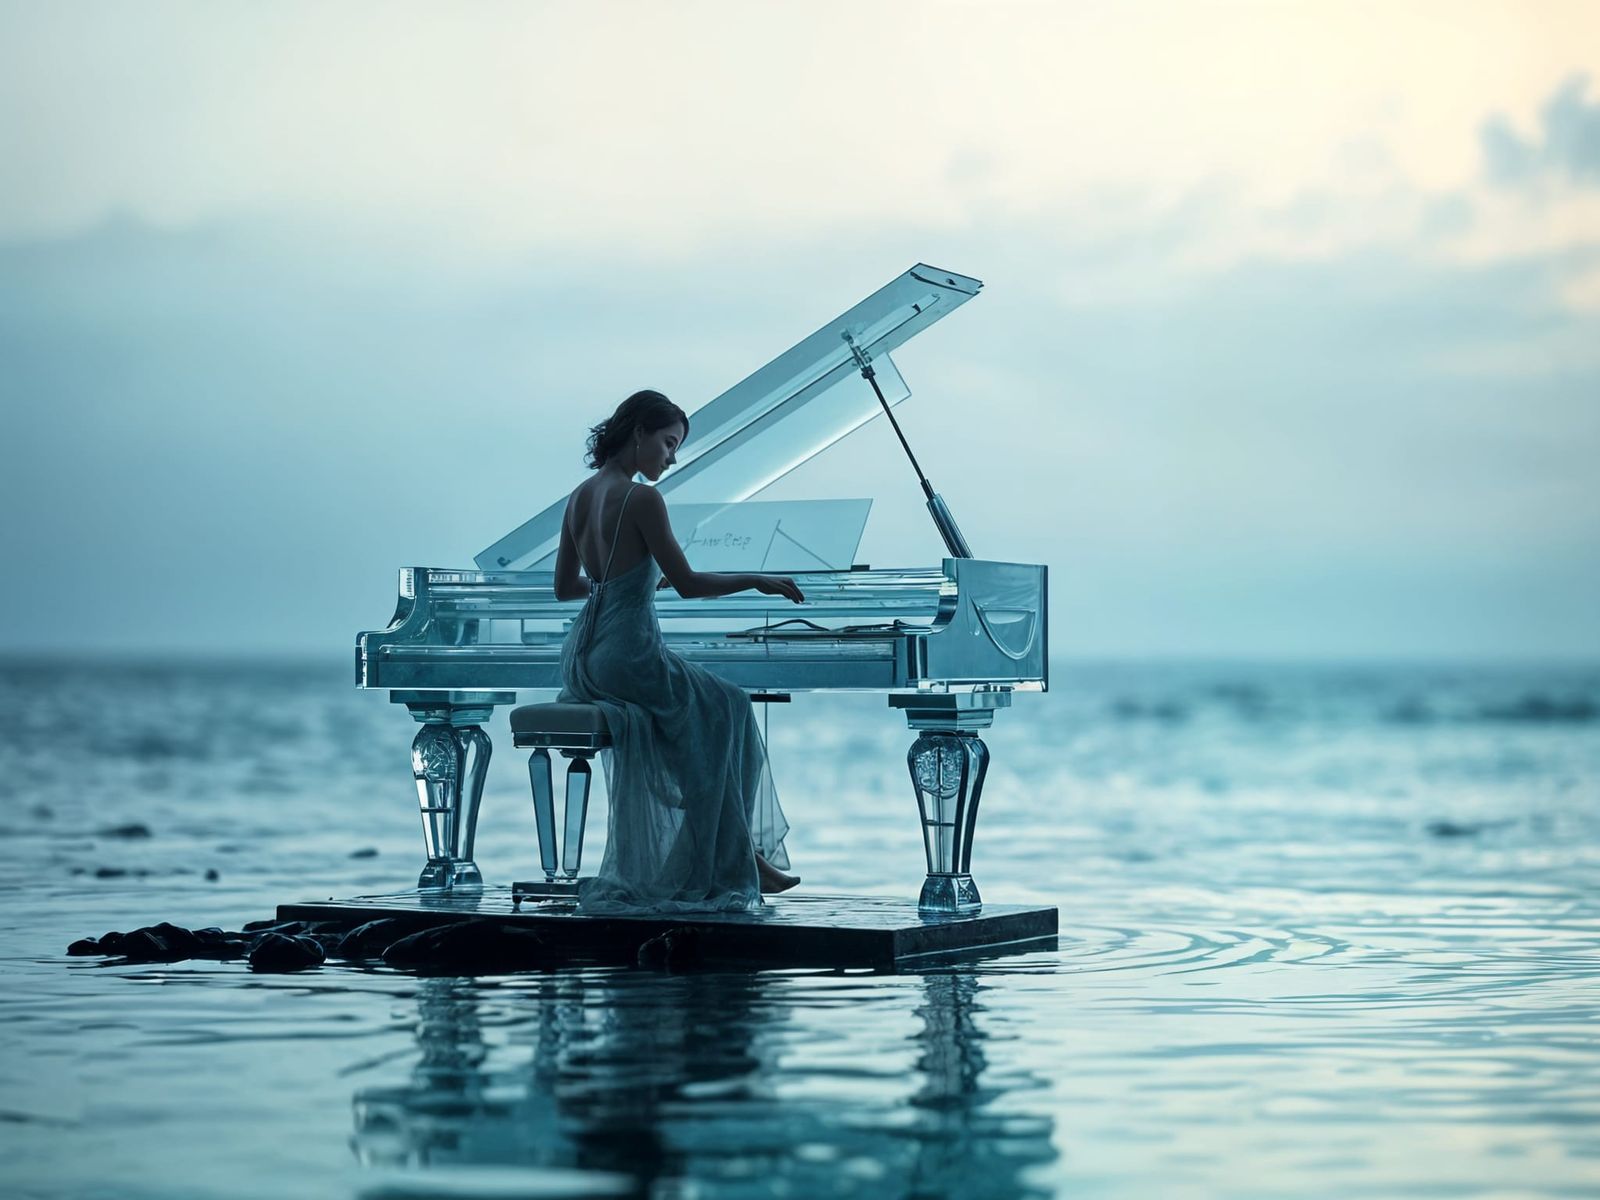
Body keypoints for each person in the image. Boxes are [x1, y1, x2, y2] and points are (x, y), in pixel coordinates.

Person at [553, 388, 804, 912]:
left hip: (585, 652)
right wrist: (756, 577)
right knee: (731, 705)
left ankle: (734, 851)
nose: (671, 457)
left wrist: (631, 584)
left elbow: (566, 587)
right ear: (639, 432)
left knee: (712, 718)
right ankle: (739, 857)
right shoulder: (642, 499)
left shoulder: (579, 496)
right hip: (628, 650)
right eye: (668, 443)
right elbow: (689, 582)